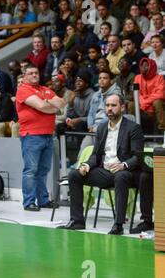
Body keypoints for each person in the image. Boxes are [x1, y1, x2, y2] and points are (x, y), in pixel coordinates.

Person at [58, 94, 144, 235]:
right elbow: (95, 156)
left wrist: (123, 165)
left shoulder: (133, 128)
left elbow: (138, 156)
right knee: (75, 174)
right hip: (105, 172)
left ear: (122, 107)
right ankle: (77, 221)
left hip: (126, 172)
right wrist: (87, 165)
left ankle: (118, 224)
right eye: (107, 105)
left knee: (120, 176)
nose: (109, 109)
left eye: (113, 105)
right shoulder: (102, 127)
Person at [15, 64, 66, 211]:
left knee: (43, 170)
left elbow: (61, 104)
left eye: (36, 72)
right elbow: (43, 106)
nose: (34, 75)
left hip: (48, 135)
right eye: (30, 73)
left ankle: (43, 200)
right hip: (32, 135)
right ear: (24, 77)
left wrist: (46, 104)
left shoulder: (44, 89)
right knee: (31, 170)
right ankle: (29, 202)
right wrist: (49, 105)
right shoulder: (23, 89)